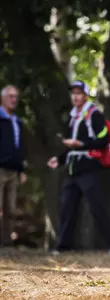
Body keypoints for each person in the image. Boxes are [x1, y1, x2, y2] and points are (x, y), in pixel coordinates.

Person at [47, 80, 110, 255]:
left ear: (85, 95)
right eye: (73, 93)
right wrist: (59, 159)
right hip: (72, 170)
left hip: (89, 169)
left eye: (79, 93)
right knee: (67, 208)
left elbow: (102, 141)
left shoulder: (94, 115)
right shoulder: (73, 116)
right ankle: (63, 247)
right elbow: (71, 147)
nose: (75, 96)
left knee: (98, 207)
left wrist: (79, 144)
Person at [0, 85, 27, 245]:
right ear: (3, 98)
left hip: (13, 171)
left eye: (16, 96)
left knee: (10, 209)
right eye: (10, 96)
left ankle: (6, 244)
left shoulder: (17, 121)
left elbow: (19, 147)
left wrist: (21, 170)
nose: (14, 99)